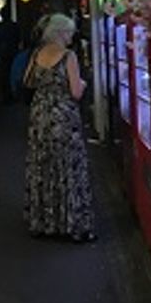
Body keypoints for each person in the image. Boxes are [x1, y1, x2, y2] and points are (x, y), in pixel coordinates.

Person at [24, 13, 95, 242]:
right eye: (70, 32)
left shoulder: (37, 54)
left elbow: (28, 81)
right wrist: (82, 84)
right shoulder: (68, 56)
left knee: (42, 164)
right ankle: (72, 223)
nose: (72, 37)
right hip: (63, 115)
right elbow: (75, 92)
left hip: (40, 114)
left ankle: (43, 222)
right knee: (68, 166)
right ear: (61, 33)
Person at [0, 6, 21, 102]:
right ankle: (11, 94)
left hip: (2, 53)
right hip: (13, 52)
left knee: (3, 75)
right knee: (12, 73)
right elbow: (18, 39)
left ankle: (4, 95)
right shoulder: (14, 26)